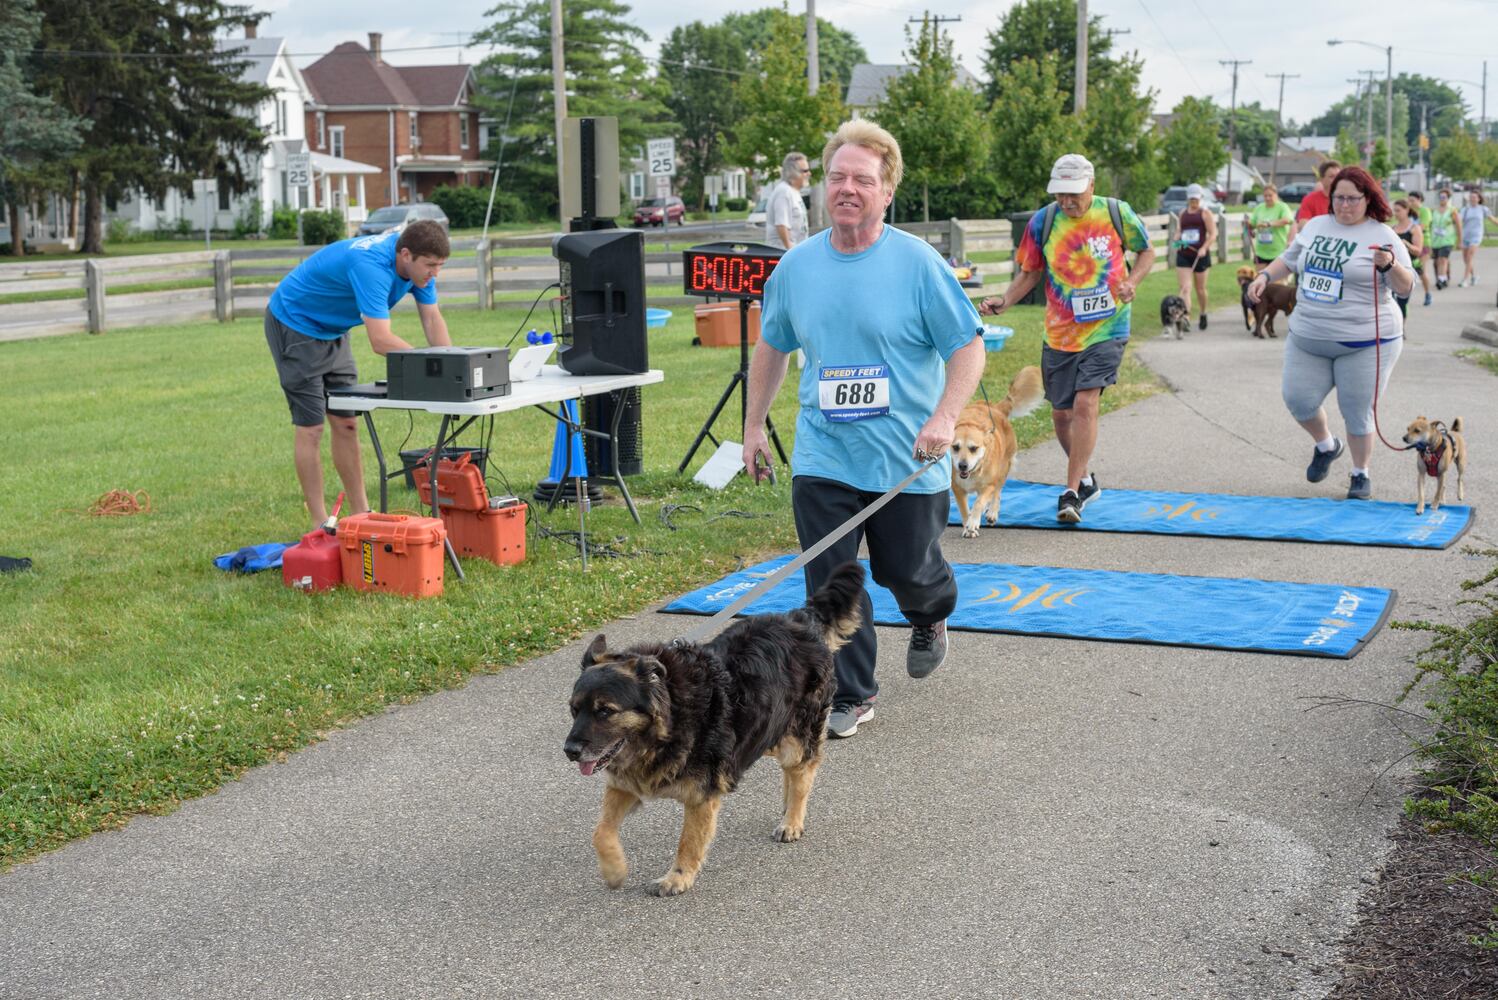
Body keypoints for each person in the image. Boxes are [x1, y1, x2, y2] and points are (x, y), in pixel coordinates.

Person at [742, 120, 985, 739]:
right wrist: (751, 430)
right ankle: (851, 692)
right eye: (837, 177)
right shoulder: (796, 268)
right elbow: (771, 348)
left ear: (886, 192)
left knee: (908, 572)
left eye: (862, 180)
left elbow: (968, 348)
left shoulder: (918, 264)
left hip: (906, 457)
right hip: (824, 453)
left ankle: (932, 613)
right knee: (829, 581)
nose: (847, 189)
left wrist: (945, 415)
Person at [978, 153, 1156, 523]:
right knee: (1061, 414)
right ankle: (1087, 479)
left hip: (1108, 326)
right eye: (1060, 193)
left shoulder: (1116, 213)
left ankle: (1071, 492)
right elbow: (1030, 272)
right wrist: (1005, 300)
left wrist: (1131, 282)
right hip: (1060, 331)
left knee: (1085, 404)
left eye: (1073, 193)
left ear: (1092, 185)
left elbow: (1146, 251)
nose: (1066, 201)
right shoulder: (1043, 221)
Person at [266, 220, 451, 530]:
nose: (435, 273)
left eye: (440, 266)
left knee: (348, 422)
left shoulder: (419, 265)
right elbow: (380, 341)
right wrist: (428, 366)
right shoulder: (372, 267)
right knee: (311, 427)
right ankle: (318, 520)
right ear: (405, 255)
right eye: (430, 266)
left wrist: (450, 366)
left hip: (333, 329)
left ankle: (361, 514)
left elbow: (432, 319)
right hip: (295, 322)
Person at [1246, 166, 1413, 501]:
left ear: (1368, 199)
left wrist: (1389, 266)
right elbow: (1289, 259)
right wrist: (1265, 276)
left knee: (1356, 409)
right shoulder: (1317, 226)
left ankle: (1359, 473)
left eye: (1353, 198)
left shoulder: (1382, 235)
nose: (1345, 205)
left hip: (1365, 342)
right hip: (1308, 337)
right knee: (1298, 400)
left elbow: (1406, 287)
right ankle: (1326, 445)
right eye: (1339, 198)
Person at [1174, 183, 1217, 329]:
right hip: (1184, 254)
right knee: (1185, 287)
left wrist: (1204, 248)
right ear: (1188, 199)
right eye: (1191, 199)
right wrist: (1176, 238)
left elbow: (1213, 234)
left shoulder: (1205, 213)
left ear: (1201, 199)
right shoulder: (1182, 213)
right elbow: (1180, 230)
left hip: (1200, 255)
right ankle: (1186, 316)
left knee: (1200, 289)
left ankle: (1203, 312)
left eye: (1196, 199)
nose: (1194, 202)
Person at [763, 151, 811, 250]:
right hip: (781, 254)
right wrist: (789, 251)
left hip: (794, 252)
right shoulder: (784, 192)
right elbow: (781, 225)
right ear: (793, 172)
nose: (809, 174)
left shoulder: (793, 192)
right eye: (805, 171)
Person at [1246, 184, 1296, 270]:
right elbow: (1252, 223)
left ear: (1276, 195)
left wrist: (1268, 224)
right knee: (1260, 280)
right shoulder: (1259, 208)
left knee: (1277, 282)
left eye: (1270, 195)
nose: (1268, 198)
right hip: (1261, 252)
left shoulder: (1282, 207)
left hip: (1278, 251)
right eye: (1265, 196)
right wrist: (1248, 224)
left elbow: (1287, 220)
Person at [1390, 198, 1424, 317]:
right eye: (1394, 210)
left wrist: (1406, 244)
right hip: (1394, 268)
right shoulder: (1392, 229)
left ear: (1407, 210)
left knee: (1402, 301)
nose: (1396, 213)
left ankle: (1401, 327)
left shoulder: (1414, 228)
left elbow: (1418, 251)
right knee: (1391, 300)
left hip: (1409, 267)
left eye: (1398, 210)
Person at [1427, 188, 1461, 290]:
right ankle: (1444, 277)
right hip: (1435, 240)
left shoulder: (1452, 211)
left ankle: (1441, 280)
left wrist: (1460, 241)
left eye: (1444, 197)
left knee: (1443, 259)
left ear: (1448, 198)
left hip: (1448, 240)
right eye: (1440, 197)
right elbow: (1430, 225)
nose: (1442, 199)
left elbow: (1459, 226)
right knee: (1437, 261)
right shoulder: (1434, 211)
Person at [1458, 188, 1492, 286]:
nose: (1472, 199)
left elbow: (1492, 219)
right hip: (1465, 236)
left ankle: (1465, 280)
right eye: (1471, 197)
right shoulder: (1465, 209)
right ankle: (1473, 276)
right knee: (1465, 259)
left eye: (1474, 197)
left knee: (1469, 257)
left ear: (1479, 199)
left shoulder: (1483, 209)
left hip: (1476, 236)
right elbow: (1459, 221)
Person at [1406, 190, 1435, 305]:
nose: (1410, 202)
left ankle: (1428, 293)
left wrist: (1409, 231)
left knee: (1420, 270)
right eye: (1409, 200)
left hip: (1424, 243)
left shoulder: (1425, 211)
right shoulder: (1409, 211)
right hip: (1410, 243)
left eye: (1412, 200)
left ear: (1419, 199)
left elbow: (1423, 225)